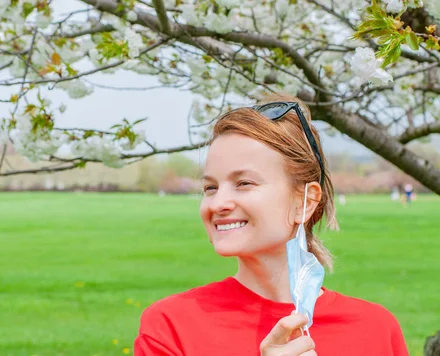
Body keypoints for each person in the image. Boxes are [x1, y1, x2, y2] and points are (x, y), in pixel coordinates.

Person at [133, 96, 408, 356]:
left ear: (305, 201)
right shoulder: (171, 327)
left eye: (244, 183)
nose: (218, 203)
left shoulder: (376, 330)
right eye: (210, 187)